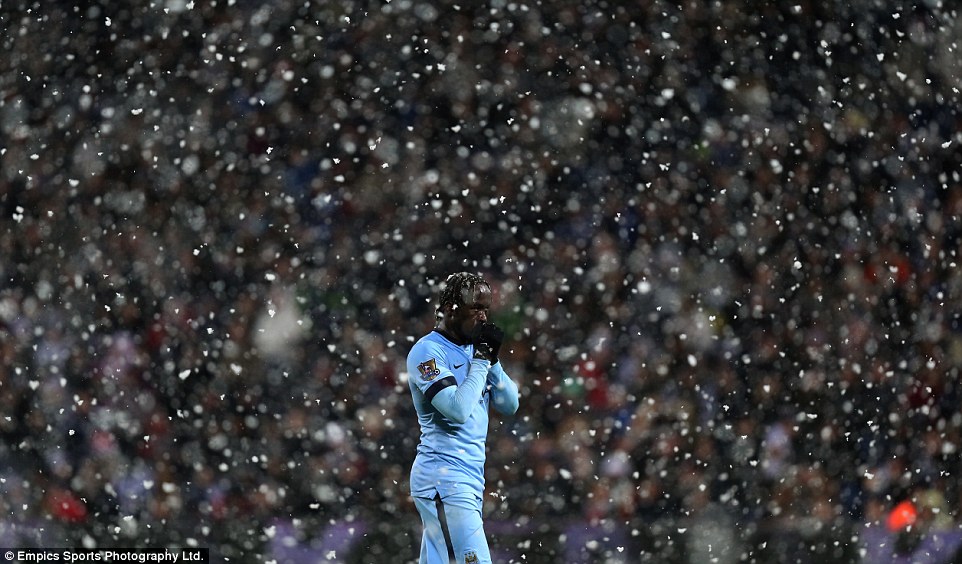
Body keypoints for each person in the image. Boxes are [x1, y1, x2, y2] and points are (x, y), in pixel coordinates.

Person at [406, 271, 521, 563]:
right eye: (475, 308)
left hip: (465, 475)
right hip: (443, 476)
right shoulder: (427, 352)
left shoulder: (476, 351)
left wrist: (490, 361)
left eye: (486, 309)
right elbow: (457, 410)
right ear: (449, 309)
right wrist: (482, 362)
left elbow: (510, 404)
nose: (483, 317)